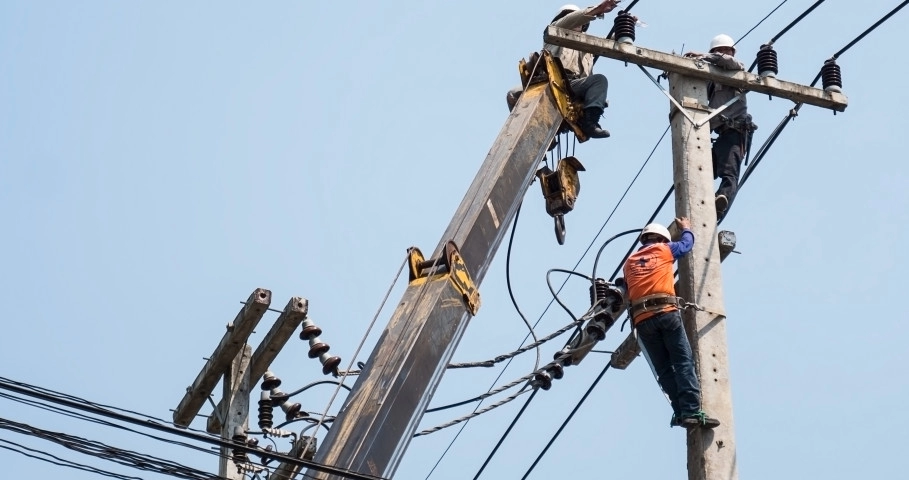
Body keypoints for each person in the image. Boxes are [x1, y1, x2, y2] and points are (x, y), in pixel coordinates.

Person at [622, 218, 720, 429]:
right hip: (665, 313)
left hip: (642, 321)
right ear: (662, 239)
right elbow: (686, 245)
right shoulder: (664, 250)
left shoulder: (629, 263)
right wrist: (686, 228)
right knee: (683, 361)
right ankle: (691, 410)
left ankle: (680, 411)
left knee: (665, 370)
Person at [506, 1, 621, 139]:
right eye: (570, 17)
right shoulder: (555, 31)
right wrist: (597, 10)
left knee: (599, 81)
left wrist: (625, 25)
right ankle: (529, 131)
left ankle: (589, 123)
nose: (576, 22)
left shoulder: (588, 44)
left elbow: (613, 43)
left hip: (574, 87)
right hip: (552, 83)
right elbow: (572, 19)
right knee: (513, 94)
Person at [684, 34, 756, 220]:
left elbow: (729, 62)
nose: (723, 53)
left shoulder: (737, 69)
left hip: (736, 132)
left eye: (726, 50)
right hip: (720, 134)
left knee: (729, 173)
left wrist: (703, 55)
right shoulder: (711, 78)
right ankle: (703, 205)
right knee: (701, 170)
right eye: (719, 50)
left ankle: (721, 201)